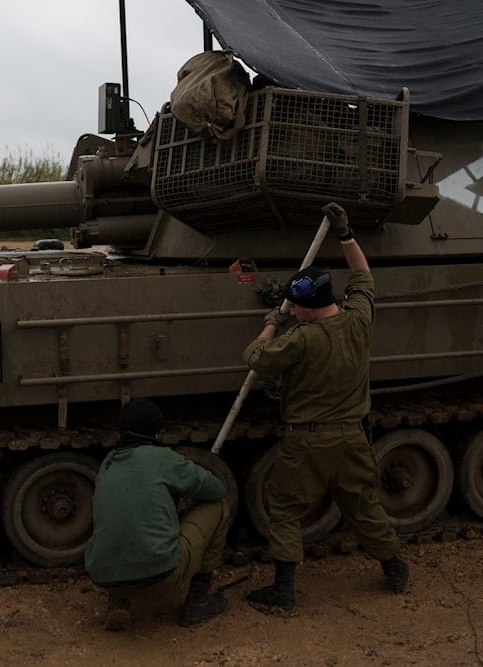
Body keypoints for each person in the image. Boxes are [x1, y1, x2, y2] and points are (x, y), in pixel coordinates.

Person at [241, 202, 409, 614]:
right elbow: (363, 276)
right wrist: (345, 233)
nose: (291, 311)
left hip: (308, 443)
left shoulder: (300, 338)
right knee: (364, 506)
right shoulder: (358, 319)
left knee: (283, 507)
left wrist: (271, 323)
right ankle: (395, 567)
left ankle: (284, 590)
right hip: (352, 439)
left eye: (294, 307)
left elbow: (256, 357)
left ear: (308, 306)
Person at [84, 398, 232, 630]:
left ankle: (118, 601)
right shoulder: (162, 458)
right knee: (219, 506)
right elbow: (216, 489)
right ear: (158, 433)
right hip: (161, 577)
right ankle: (198, 601)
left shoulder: (107, 464)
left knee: (121, 519)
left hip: (105, 579)